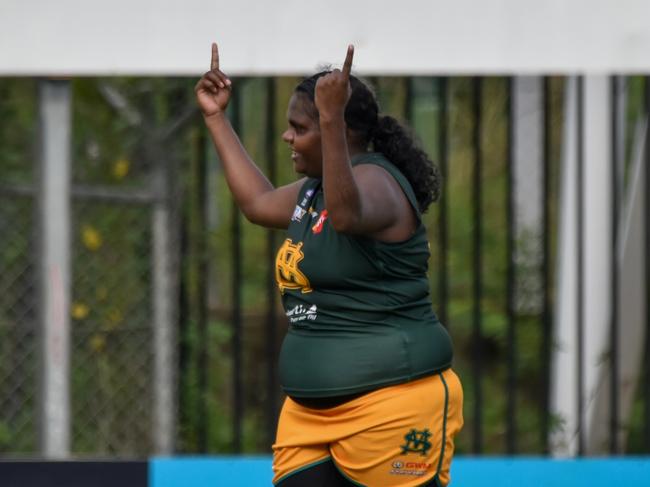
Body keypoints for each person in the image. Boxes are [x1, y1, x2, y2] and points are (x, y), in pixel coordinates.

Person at [195, 42, 463, 487]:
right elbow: (258, 202)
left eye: (300, 127)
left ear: (337, 130)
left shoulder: (380, 186)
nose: (287, 137)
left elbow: (347, 215)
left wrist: (331, 117)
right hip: (309, 416)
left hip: (392, 406)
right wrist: (215, 117)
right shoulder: (313, 192)